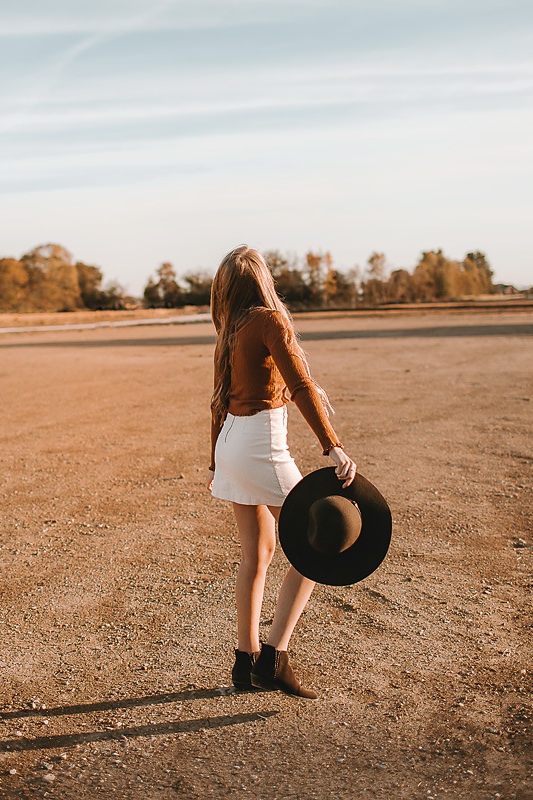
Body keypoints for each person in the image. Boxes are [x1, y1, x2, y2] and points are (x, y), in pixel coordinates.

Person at [206, 245, 357, 699]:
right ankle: (276, 657)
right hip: (259, 445)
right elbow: (301, 386)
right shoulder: (270, 322)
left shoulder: (230, 331)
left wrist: (216, 463)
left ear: (226, 290)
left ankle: (245, 661)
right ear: (263, 281)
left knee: (259, 552)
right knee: (319, 544)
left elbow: (217, 402)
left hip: (232, 443)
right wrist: (333, 446)